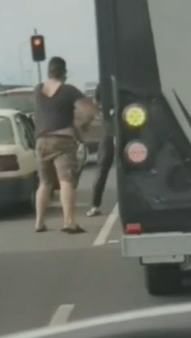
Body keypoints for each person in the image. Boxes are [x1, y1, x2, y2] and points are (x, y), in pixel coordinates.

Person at [33, 56, 97, 234]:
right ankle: (69, 222)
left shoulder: (38, 90)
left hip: (41, 141)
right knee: (66, 180)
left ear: (48, 71)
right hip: (62, 140)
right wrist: (83, 124)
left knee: (44, 182)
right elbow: (89, 110)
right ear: (64, 73)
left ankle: (39, 222)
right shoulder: (69, 91)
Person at [86, 83, 115, 216]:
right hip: (129, 124)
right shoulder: (130, 77)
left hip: (109, 126)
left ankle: (95, 205)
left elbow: (95, 103)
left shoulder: (104, 83)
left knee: (102, 166)